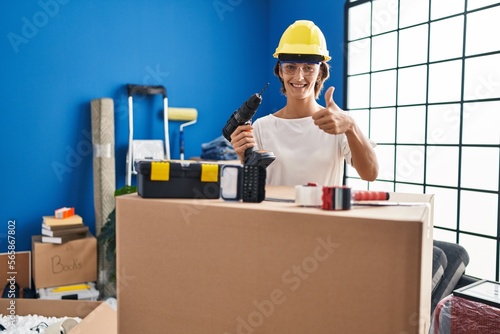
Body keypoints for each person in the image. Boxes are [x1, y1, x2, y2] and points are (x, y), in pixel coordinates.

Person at [229, 20, 379, 186]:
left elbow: (370, 174)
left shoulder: (337, 123)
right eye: (291, 67)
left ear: (320, 72)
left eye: (308, 68)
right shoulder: (261, 128)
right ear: (280, 71)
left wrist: (351, 126)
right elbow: (251, 187)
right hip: (273, 212)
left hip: (321, 212)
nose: (299, 77)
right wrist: (243, 158)